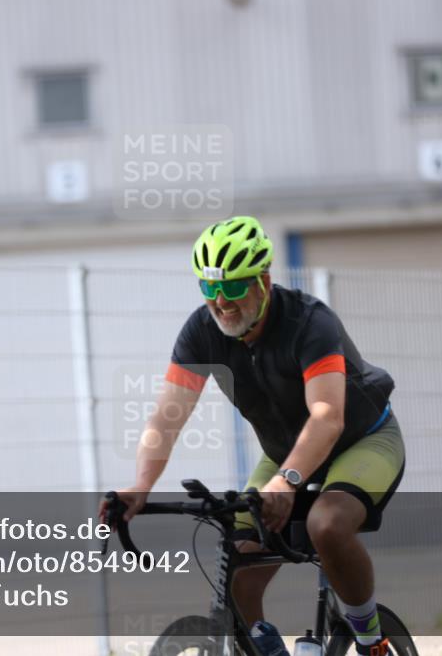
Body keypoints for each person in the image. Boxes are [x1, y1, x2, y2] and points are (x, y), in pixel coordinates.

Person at [102, 216, 405, 656]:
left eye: (233, 287)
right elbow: (166, 418)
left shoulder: (309, 322)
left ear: (263, 281)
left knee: (326, 525)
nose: (220, 301)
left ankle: (371, 638)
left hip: (362, 440)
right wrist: (141, 485)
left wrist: (286, 481)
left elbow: (326, 417)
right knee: (238, 566)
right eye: (209, 287)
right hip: (284, 452)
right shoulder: (201, 331)